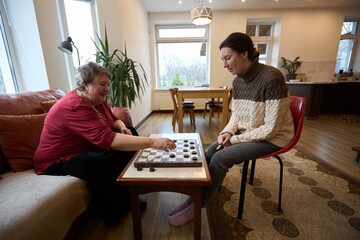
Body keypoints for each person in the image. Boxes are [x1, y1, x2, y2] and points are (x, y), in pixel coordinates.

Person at [168, 32, 295, 226]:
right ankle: (194, 197)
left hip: (274, 137)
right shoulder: (238, 81)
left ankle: (198, 204)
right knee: (210, 151)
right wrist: (227, 132)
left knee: (220, 157)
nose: (224, 64)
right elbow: (236, 115)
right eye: (223, 59)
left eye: (228, 58)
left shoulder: (272, 78)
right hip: (251, 133)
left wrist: (234, 139)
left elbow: (271, 128)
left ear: (244, 53)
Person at [34, 62, 176, 223]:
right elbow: (107, 139)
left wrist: (122, 127)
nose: (107, 88)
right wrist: (154, 142)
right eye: (102, 84)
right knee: (97, 163)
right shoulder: (74, 106)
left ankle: (128, 192)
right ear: (85, 85)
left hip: (83, 146)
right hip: (57, 160)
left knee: (131, 132)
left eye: (108, 84)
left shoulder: (96, 100)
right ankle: (112, 211)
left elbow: (113, 120)